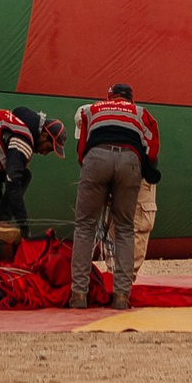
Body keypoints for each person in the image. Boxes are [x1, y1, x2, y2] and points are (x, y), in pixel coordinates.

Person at [68, 83, 161, 310]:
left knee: (84, 227)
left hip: (96, 159)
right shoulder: (141, 113)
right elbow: (152, 148)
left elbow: (82, 151)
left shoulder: (92, 110)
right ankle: (121, 296)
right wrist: (144, 171)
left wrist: (94, 174)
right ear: (131, 99)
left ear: (109, 98)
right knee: (125, 229)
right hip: (130, 161)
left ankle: (79, 294)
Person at [0, 106, 65, 252]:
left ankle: (0, 221)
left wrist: (0, 209)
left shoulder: (16, 125)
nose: (45, 153)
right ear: (43, 135)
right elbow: (12, 183)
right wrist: (25, 230)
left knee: (25, 174)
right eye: (49, 148)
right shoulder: (23, 138)